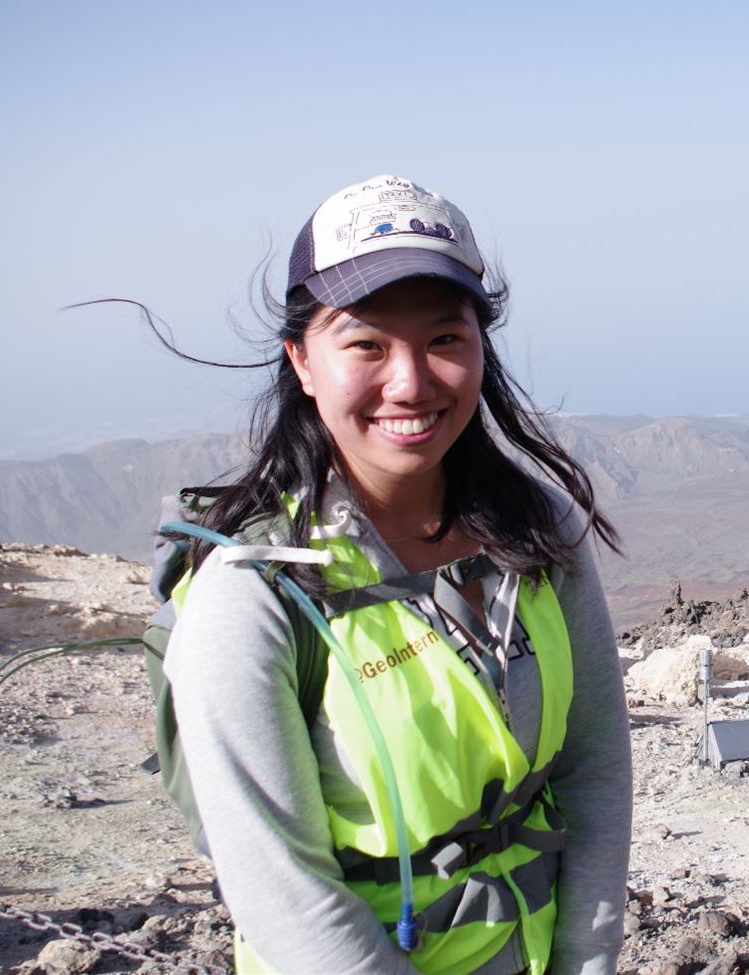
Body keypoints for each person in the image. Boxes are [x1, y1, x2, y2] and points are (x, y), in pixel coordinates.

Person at [162, 175, 633, 974]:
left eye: (444, 338)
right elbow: (283, 892)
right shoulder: (253, 594)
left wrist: (585, 961)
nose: (410, 381)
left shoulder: (539, 530)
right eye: (366, 344)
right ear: (302, 362)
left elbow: (593, 768)